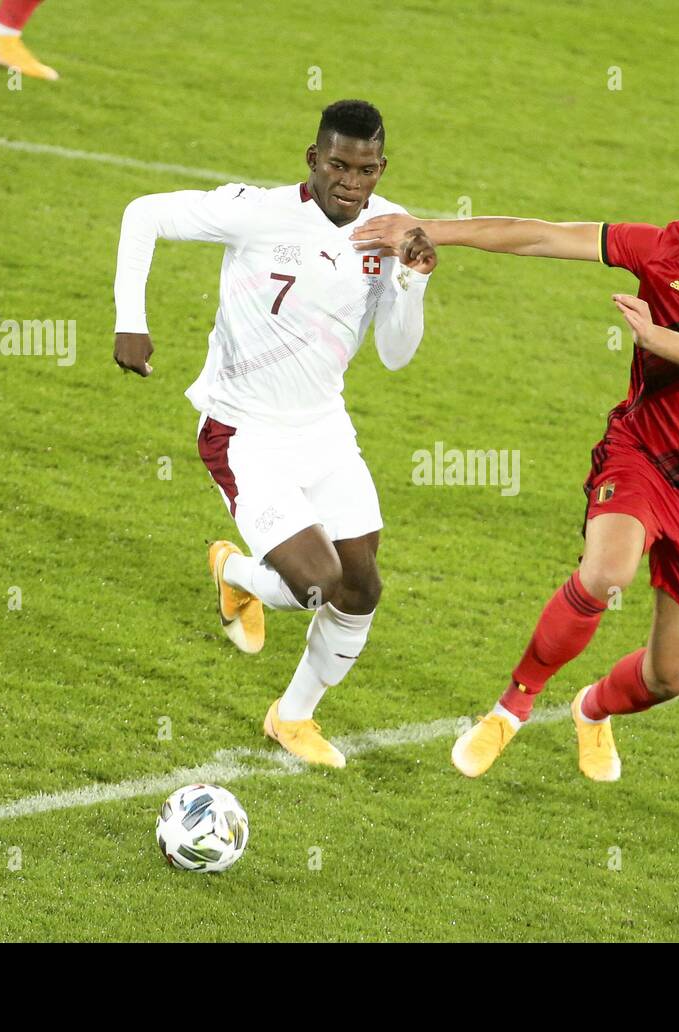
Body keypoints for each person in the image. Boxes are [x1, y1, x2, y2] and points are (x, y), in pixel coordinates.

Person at [352, 143, 679, 781]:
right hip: (643, 454)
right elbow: (543, 236)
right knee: (606, 572)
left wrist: (655, 338)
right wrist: (430, 231)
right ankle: (510, 709)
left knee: (669, 676)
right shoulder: (663, 249)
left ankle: (591, 711)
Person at [113, 100, 437, 768]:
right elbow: (143, 213)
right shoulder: (258, 212)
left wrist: (411, 284)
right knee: (319, 581)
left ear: (382, 168)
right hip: (245, 434)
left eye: (367, 168)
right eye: (340, 165)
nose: (352, 181)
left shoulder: (390, 231)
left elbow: (397, 356)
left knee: (363, 589)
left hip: (323, 431)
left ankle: (292, 717)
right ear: (314, 160)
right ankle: (235, 570)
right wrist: (130, 320)